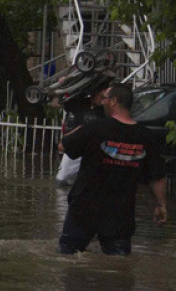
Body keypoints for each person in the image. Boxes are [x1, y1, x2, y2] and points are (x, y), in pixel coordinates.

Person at [57, 82, 167, 256]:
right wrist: (161, 205)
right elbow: (158, 177)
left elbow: (63, 146)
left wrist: (78, 130)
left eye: (105, 99)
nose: (102, 102)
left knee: (67, 257)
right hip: (120, 215)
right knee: (119, 265)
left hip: (84, 209)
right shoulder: (146, 136)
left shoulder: (95, 128)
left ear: (114, 101)